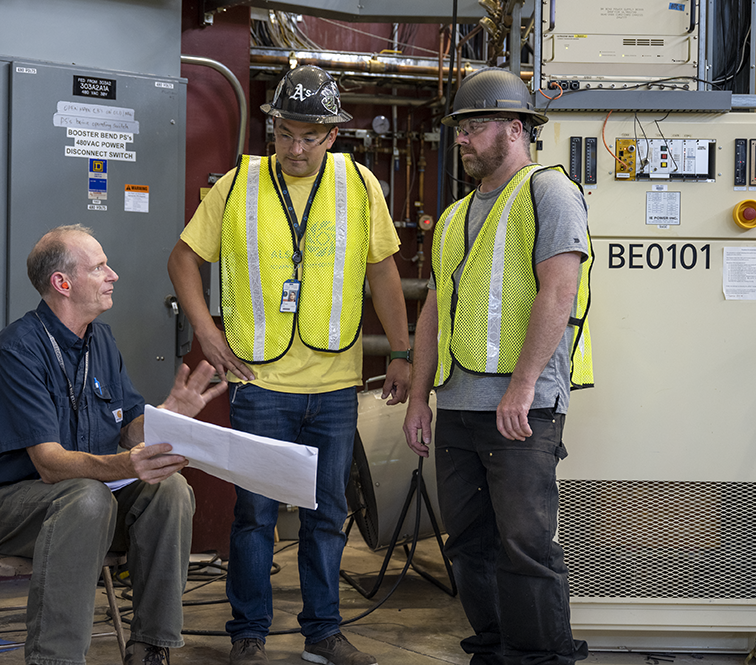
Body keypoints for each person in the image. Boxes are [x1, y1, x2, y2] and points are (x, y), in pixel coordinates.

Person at [168, 65, 411, 665]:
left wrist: (402, 353)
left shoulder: (360, 185)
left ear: (333, 135)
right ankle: (248, 634)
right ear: (272, 127)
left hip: (333, 386)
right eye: (284, 133)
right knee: (253, 516)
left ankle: (322, 635)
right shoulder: (236, 185)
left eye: (309, 136)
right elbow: (181, 259)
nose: (294, 149)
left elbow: (383, 272)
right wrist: (206, 330)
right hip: (260, 383)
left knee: (327, 515)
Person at [0, 224, 228, 665]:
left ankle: (150, 647)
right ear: (62, 284)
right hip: (10, 505)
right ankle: (56, 659)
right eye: (100, 266)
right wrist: (128, 465)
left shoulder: (100, 340)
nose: (114, 275)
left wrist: (168, 415)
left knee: (170, 491)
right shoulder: (16, 351)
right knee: (87, 498)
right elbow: (49, 465)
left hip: (90, 501)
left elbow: (129, 429)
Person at [402, 68, 594, 665]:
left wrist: (523, 386)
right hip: (457, 407)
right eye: (460, 128)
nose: (462, 140)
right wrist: (417, 396)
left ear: (514, 129)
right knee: (468, 544)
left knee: (527, 544)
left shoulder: (551, 192)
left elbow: (557, 293)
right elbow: (435, 304)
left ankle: (540, 657)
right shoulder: (457, 214)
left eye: (474, 127)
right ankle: (492, 648)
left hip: (522, 409)